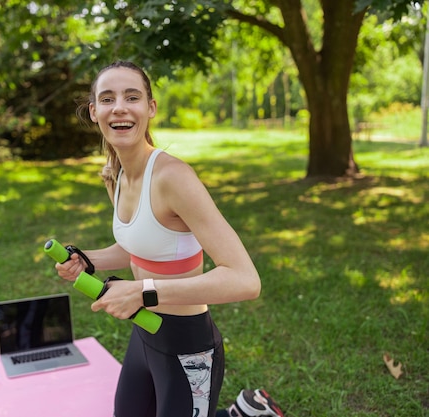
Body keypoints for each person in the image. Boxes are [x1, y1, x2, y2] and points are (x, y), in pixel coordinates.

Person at [53, 60, 283, 417]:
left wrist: (142, 291)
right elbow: (141, 246)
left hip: (189, 345)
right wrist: (89, 260)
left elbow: (245, 280)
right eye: (108, 98)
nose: (120, 107)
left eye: (132, 97)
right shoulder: (114, 174)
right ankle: (245, 412)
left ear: (150, 108)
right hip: (145, 335)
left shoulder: (174, 177)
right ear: (94, 111)